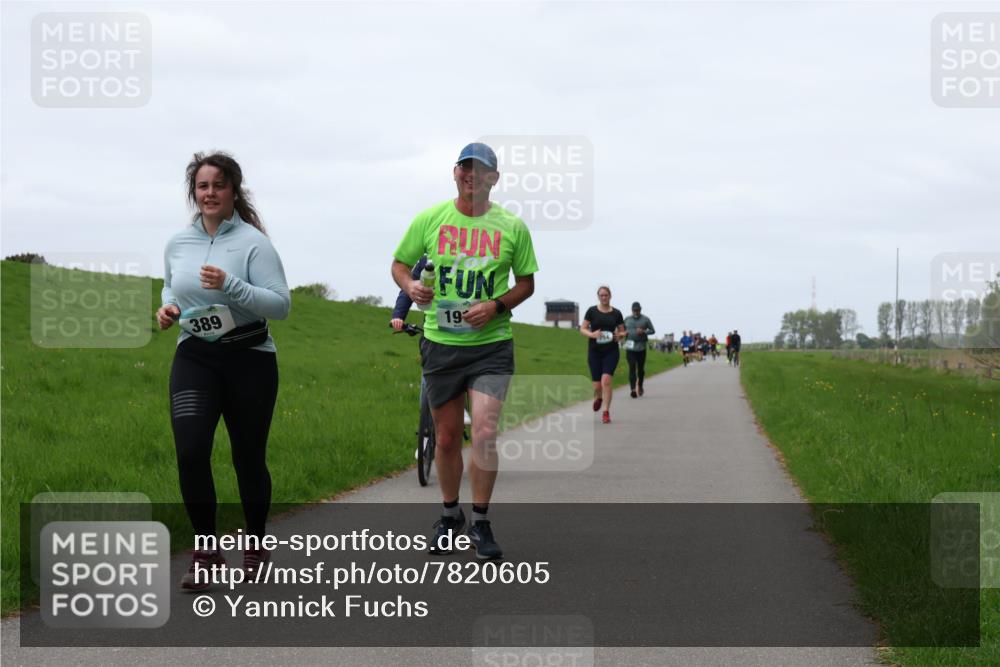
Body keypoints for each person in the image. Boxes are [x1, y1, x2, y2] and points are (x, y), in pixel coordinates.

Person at [392, 142, 538, 560]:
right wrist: (410, 287)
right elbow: (400, 264)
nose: (471, 175)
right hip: (441, 344)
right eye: (464, 168)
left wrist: (495, 306)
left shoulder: (512, 227)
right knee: (447, 437)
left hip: (491, 345)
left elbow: (526, 283)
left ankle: (481, 521)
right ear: (455, 173)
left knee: (487, 432)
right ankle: (449, 514)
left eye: (481, 170)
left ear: (494, 178)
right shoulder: (430, 219)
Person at [156, 152, 291, 591]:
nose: (209, 193)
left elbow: (280, 305)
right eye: (202, 186)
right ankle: (206, 551)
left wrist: (230, 284)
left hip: (249, 358)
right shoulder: (178, 242)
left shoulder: (254, 243)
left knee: (247, 457)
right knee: (191, 451)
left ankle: (255, 543)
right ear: (194, 193)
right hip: (195, 357)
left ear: (234, 191)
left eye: (218, 185)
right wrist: (169, 307)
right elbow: (170, 284)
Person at [581, 286, 625, 423]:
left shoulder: (616, 313)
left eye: (606, 295)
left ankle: (606, 412)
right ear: (598, 296)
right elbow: (582, 329)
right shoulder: (592, 311)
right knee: (597, 385)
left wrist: (620, 336)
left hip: (611, 351)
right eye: (601, 295)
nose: (604, 297)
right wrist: (592, 334)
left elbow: (623, 331)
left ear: (610, 296)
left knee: (606, 380)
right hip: (594, 351)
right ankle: (599, 397)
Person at [623, 302, 655, 398]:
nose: (636, 312)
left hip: (641, 347)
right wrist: (623, 333)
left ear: (640, 309)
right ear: (631, 310)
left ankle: (640, 385)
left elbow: (653, 330)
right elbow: (622, 330)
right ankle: (633, 389)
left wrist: (644, 331)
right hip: (630, 346)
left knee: (640, 369)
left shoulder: (645, 319)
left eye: (637, 310)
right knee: (632, 367)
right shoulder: (627, 319)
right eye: (634, 310)